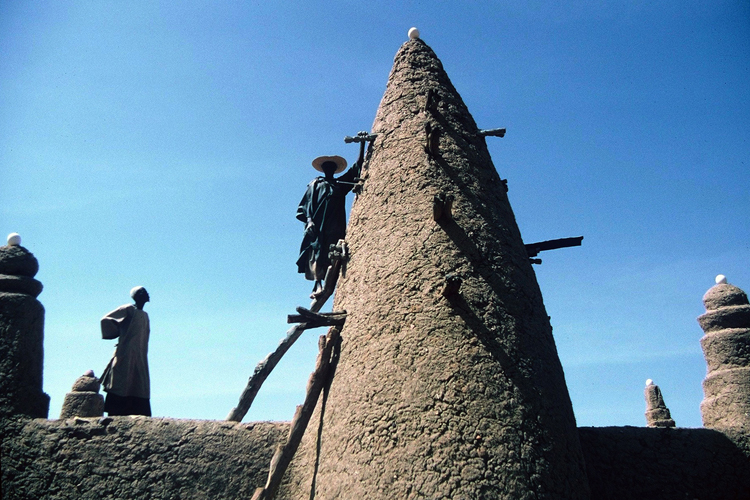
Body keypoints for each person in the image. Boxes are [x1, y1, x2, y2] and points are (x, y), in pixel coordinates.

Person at [296, 154, 360, 298]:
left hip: (334, 223)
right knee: (317, 251)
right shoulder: (315, 185)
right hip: (318, 224)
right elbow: (305, 206)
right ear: (323, 169)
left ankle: (330, 280)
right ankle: (317, 284)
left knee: (332, 250)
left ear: (335, 169)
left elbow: (356, 169)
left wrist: (362, 147)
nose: (328, 169)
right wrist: (310, 221)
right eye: (326, 167)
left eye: (331, 167)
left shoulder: (339, 185)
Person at [100, 286, 151, 416]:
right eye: (142, 292)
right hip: (126, 353)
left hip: (140, 355)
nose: (146, 294)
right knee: (122, 381)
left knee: (139, 384)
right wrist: (117, 332)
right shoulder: (128, 309)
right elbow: (106, 319)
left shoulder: (145, 315)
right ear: (136, 295)